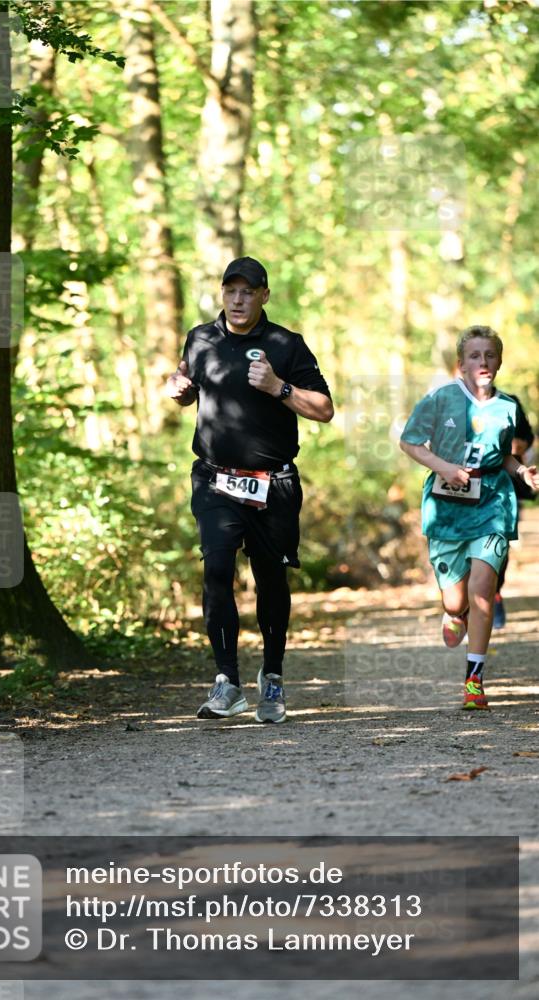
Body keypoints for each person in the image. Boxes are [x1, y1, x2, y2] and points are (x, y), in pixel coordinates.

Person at [166, 257, 334, 723]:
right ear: (222, 294)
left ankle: (273, 677)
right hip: (216, 477)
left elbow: (324, 409)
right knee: (216, 565)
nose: (238, 300)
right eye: (230, 291)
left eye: (247, 291)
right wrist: (179, 389)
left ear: (264, 295)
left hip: (273, 484)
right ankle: (227, 682)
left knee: (271, 580)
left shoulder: (286, 344)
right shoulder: (200, 338)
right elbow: (185, 382)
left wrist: (280, 388)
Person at [400, 325, 539, 710]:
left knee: (482, 591)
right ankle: (452, 614)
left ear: (499, 361)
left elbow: (504, 456)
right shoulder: (440, 399)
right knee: (454, 600)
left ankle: (474, 682)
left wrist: (521, 472)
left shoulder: (508, 406)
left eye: (490, 355)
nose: (483, 362)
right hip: (446, 510)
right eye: (475, 356)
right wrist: (444, 467)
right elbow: (409, 442)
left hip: (493, 504)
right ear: (461, 364)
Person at [491, 394, 535, 628]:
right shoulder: (450, 401)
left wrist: (498, 448)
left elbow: (525, 439)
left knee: (500, 545)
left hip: (505, 487)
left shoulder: (509, 403)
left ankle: (494, 593)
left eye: (488, 355)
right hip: (464, 490)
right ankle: (464, 604)